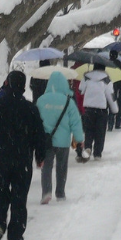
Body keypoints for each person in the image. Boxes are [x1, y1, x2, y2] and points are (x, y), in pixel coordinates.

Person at [0, 70, 46, 240]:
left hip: (1, 158)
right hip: (22, 160)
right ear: (24, 87)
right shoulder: (30, 109)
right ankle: (15, 239)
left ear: (7, 84)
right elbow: (39, 134)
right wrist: (40, 156)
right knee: (19, 198)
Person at [36, 72, 84, 204]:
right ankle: (60, 192)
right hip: (63, 142)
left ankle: (46, 192)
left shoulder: (41, 100)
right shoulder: (68, 101)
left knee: (46, 167)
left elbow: (36, 120)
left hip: (47, 141)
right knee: (62, 167)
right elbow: (76, 121)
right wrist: (79, 139)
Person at [78, 62, 118, 160]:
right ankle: (97, 153)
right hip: (101, 110)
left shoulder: (86, 77)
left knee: (89, 131)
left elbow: (80, 90)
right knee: (100, 132)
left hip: (88, 109)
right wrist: (115, 109)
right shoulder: (106, 79)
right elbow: (110, 96)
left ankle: (87, 147)